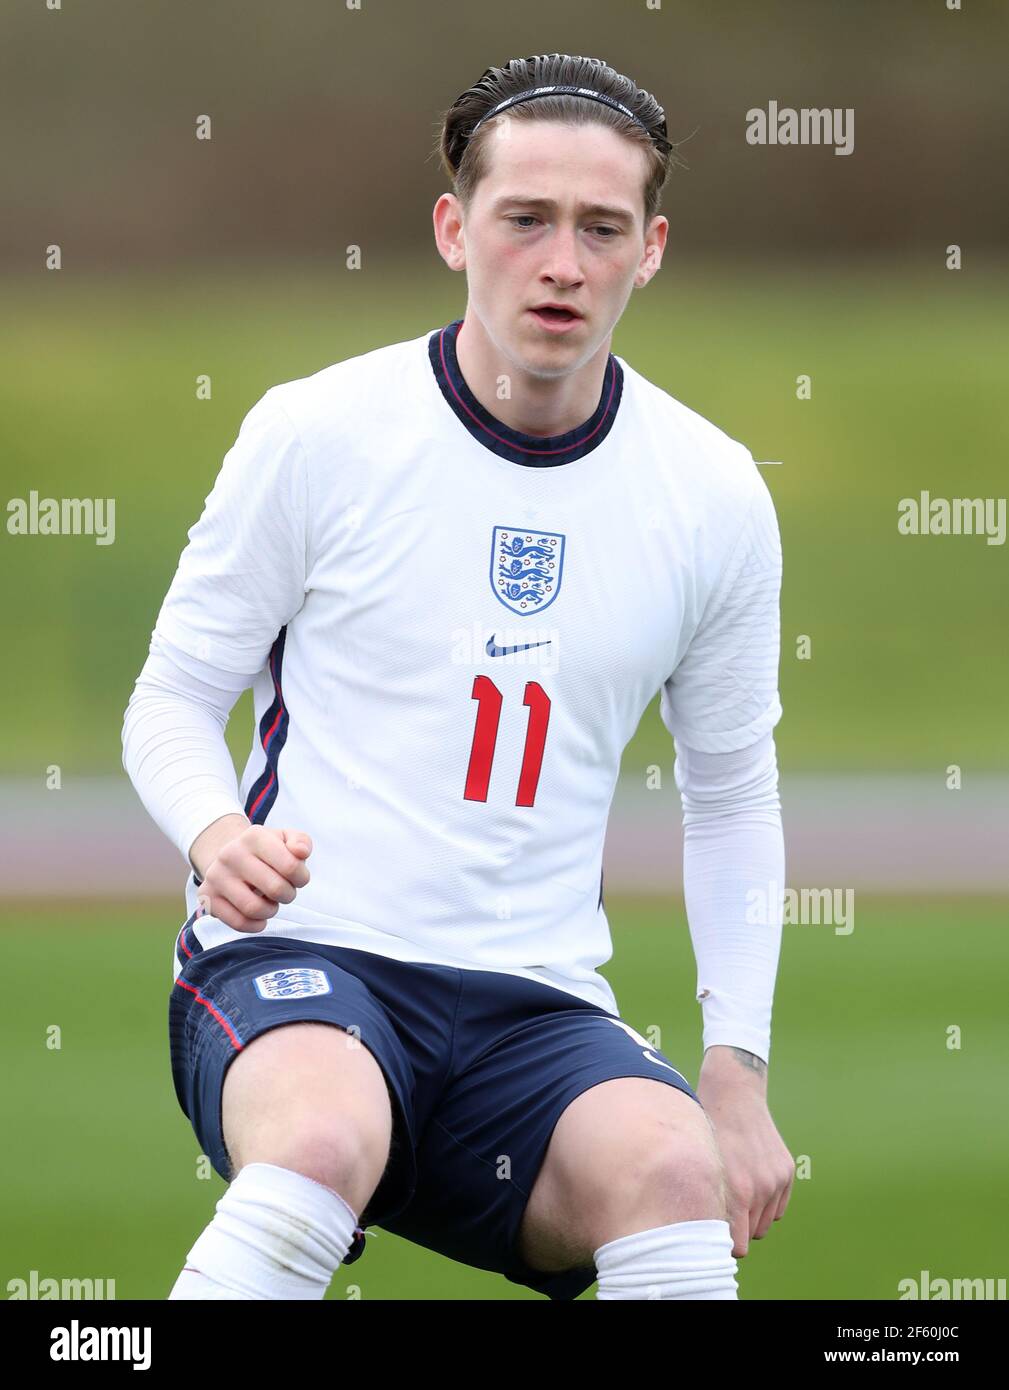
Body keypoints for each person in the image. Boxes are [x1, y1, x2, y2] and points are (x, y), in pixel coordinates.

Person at [122, 51, 793, 1302]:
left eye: (601, 228)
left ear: (650, 250)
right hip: (305, 958)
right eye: (524, 219)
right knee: (322, 1140)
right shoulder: (319, 433)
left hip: (533, 1004)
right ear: (452, 228)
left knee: (674, 1173)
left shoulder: (712, 494)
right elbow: (170, 696)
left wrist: (735, 1069)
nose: (561, 263)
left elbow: (732, 796)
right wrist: (215, 832)